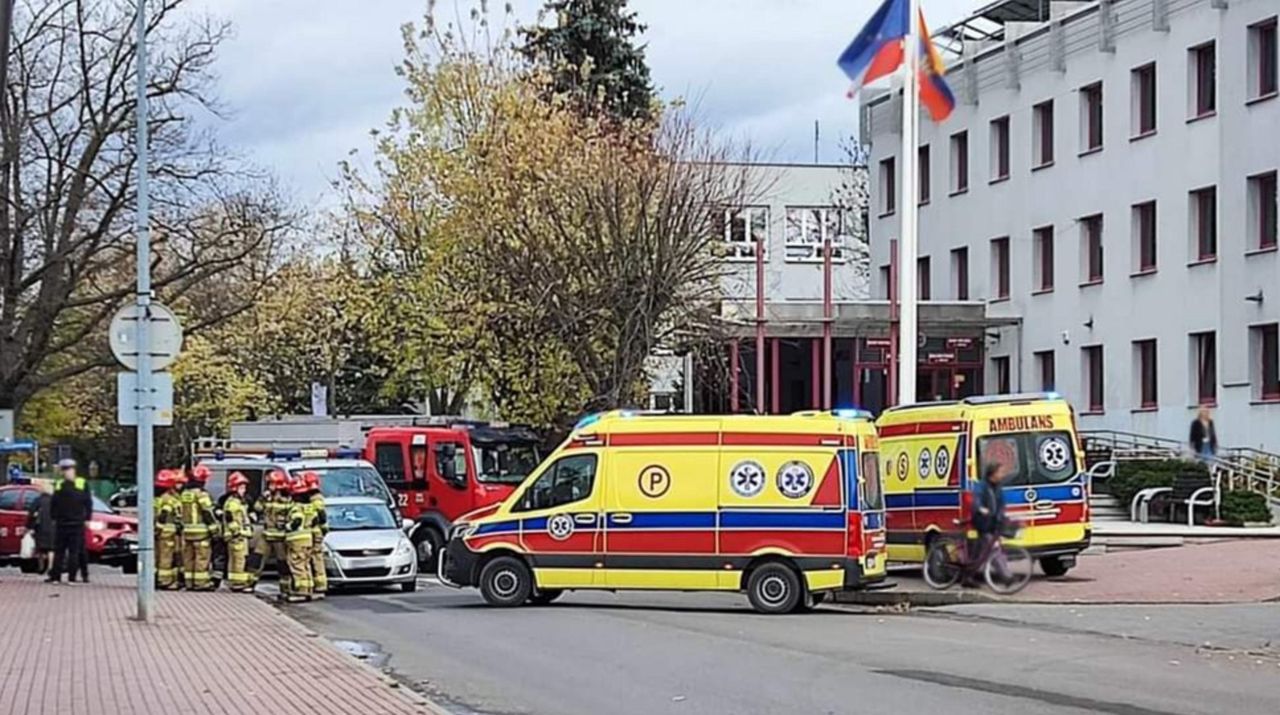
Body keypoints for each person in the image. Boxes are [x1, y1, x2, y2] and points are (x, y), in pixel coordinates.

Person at [47, 459, 91, 584]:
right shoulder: (66, 483)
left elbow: (53, 504)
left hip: (69, 523)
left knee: (65, 551)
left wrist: (54, 517)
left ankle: (62, 577)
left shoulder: (65, 484)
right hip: (72, 522)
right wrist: (87, 518)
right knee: (70, 551)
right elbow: (87, 503)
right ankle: (65, 577)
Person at [178, 463, 218, 591]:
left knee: (188, 558)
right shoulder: (201, 494)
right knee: (201, 557)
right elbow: (207, 511)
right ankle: (201, 584)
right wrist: (214, 528)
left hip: (187, 531)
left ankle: (189, 582)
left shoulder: (185, 493)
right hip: (200, 532)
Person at [968, 461, 1010, 584]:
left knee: (979, 552)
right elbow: (976, 499)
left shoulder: (998, 487)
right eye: (1000, 472)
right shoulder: (982, 486)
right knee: (993, 548)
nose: (1002, 475)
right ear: (992, 473)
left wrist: (1002, 515)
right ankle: (1006, 576)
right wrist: (981, 508)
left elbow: (1001, 504)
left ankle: (968, 576)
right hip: (982, 522)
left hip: (992, 522)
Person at [250, 470, 291, 590]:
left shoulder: (287, 498)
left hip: (280, 536)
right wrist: (263, 498)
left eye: (271, 484)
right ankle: (250, 583)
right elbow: (257, 507)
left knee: (282, 563)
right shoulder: (268, 496)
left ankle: (286, 587)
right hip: (267, 534)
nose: (269, 486)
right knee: (256, 559)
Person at [283, 476, 315, 603]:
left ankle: (300, 592)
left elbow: (297, 520)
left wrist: (287, 526)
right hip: (308, 539)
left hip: (297, 540)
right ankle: (308, 590)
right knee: (306, 565)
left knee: (297, 565)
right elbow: (316, 520)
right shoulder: (309, 506)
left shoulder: (296, 507)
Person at [221, 472, 254, 592]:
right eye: (242, 487)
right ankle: (239, 584)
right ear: (235, 488)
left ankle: (234, 582)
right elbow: (230, 520)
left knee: (234, 560)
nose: (244, 490)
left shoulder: (237, 502)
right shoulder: (233, 503)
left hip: (236, 537)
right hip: (237, 537)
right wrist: (239, 532)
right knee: (239, 560)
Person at [154, 469, 181, 590]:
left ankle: (154, 579)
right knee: (166, 557)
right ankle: (164, 581)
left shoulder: (155, 498)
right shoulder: (169, 499)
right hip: (167, 532)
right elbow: (164, 515)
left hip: (155, 532)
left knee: (156, 557)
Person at [303, 471, 329, 599]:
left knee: (312, 559)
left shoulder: (315, 499)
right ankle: (320, 586)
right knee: (317, 558)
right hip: (316, 532)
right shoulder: (317, 497)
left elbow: (321, 516)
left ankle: (316, 586)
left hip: (313, 532)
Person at [25, 482, 55, 574]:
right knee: (51, 548)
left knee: (41, 549)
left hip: (40, 527)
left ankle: (41, 567)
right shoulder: (55, 501)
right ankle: (50, 567)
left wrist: (28, 526)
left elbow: (31, 514)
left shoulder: (38, 500)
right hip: (53, 527)